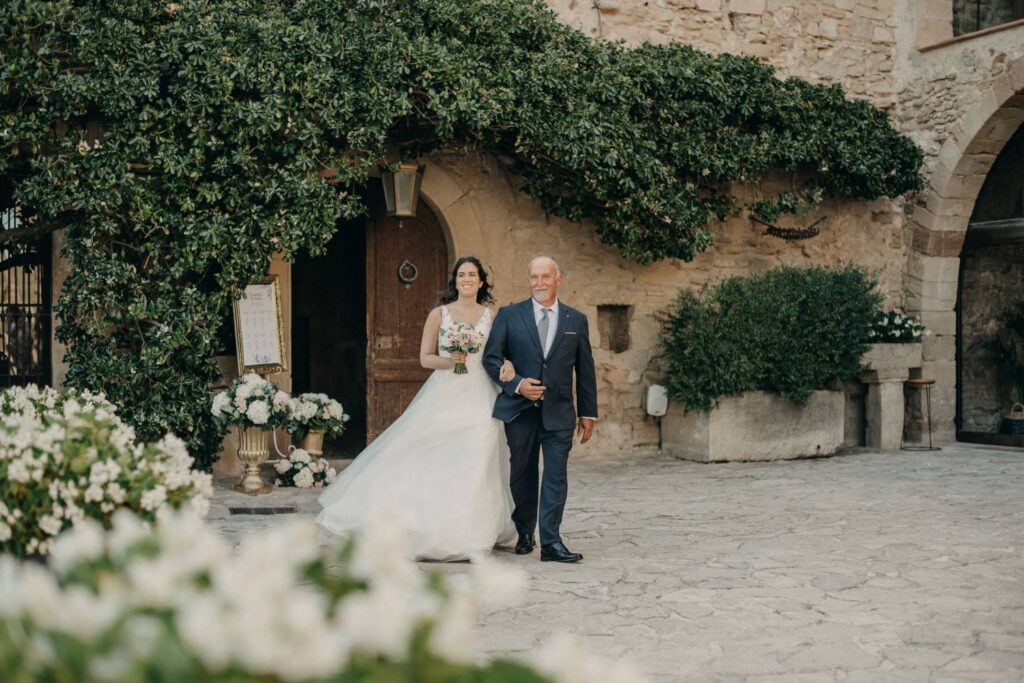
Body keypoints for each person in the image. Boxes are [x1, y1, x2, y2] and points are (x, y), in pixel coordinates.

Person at [317, 256, 517, 561]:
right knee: (433, 452)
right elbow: (425, 358)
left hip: (480, 393)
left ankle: (473, 531)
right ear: (455, 281)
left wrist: (508, 364)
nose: (466, 279)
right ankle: (428, 525)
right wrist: (452, 360)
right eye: (461, 274)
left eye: (472, 275)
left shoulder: (492, 317)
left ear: (480, 282)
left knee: (481, 449)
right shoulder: (439, 314)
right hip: (446, 389)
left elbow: (502, 353)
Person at [483, 256, 598, 563]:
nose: (539, 283)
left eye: (545, 277)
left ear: (558, 279)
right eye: (534, 277)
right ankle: (524, 532)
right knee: (522, 474)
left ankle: (551, 542)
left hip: (560, 412)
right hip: (520, 411)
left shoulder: (576, 320)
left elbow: (585, 370)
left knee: (556, 476)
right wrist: (518, 384)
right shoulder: (509, 315)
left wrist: (588, 413)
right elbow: (491, 359)